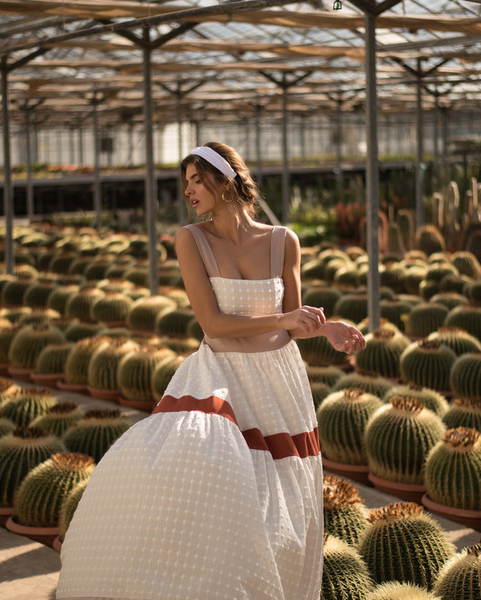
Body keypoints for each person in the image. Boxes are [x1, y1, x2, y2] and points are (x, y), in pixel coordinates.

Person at [56, 142, 366, 600]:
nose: (189, 192)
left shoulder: (284, 240)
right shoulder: (190, 239)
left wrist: (327, 328)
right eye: (186, 184)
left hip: (281, 381)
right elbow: (213, 323)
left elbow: (292, 318)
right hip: (220, 377)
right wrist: (283, 320)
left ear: (226, 180)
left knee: (289, 504)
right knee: (221, 491)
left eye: (197, 180)